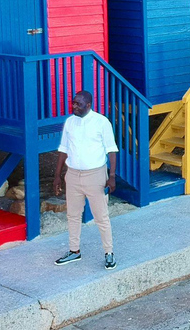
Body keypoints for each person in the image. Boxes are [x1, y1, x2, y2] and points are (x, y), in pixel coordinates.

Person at [53, 90, 118, 269]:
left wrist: (111, 176)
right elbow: (63, 149)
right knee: (73, 215)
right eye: (73, 103)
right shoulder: (69, 122)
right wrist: (57, 176)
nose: (74, 106)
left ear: (88, 105)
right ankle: (74, 251)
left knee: (101, 217)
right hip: (73, 175)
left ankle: (109, 253)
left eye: (78, 104)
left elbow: (111, 150)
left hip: (95, 175)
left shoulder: (101, 122)